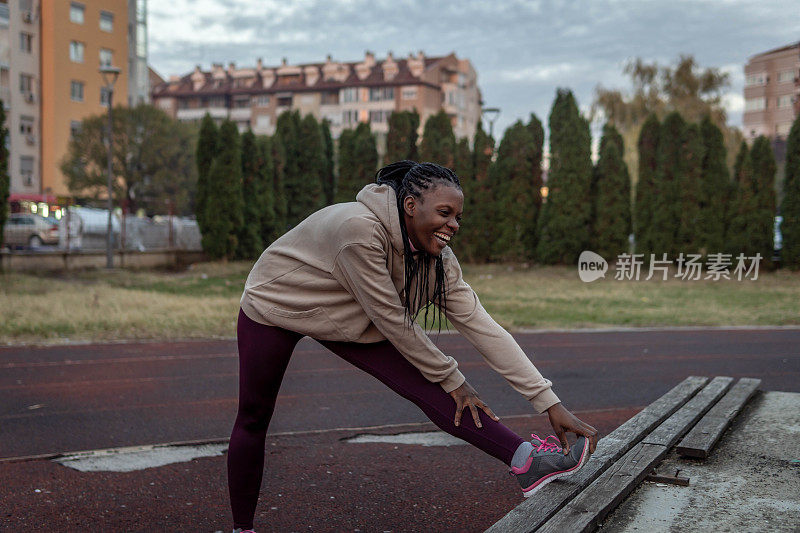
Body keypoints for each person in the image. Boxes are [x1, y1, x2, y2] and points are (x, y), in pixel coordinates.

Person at [229, 160, 599, 533]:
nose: (453, 224)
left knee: (435, 383)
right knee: (254, 415)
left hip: (351, 312)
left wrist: (549, 402)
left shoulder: (439, 259)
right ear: (410, 206)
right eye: (444, 212)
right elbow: (392, 319)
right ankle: (242, 528)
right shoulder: (358, 231)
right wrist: (454, 376)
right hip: (279, 303)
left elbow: (484, 327)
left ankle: (526, 462)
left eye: (457, 216)